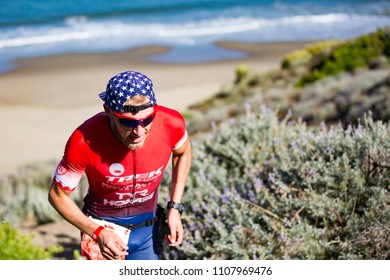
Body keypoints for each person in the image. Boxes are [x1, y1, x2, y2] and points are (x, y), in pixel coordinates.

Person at [48, 70, 192, 260]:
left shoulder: (171, 123)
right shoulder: (84, 139)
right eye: (128, 122)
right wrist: (97, 232)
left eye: (147, 119)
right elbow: (57, 196)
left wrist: (174, 207)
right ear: (108, 111)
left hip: (147, 230)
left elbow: (183, 153)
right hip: (102, 230)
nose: (139, 131)